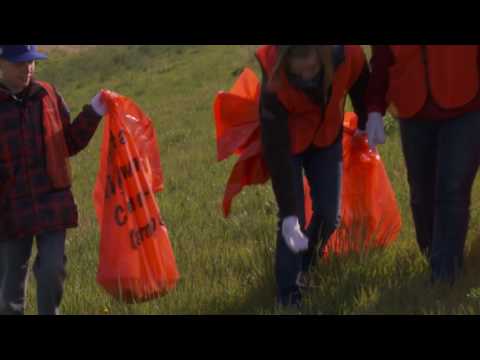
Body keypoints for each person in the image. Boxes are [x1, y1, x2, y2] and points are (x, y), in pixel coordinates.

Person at [256, 45, 370, 307]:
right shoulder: (274, 81)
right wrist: (288, 212)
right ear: (286, 61)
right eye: (300, 71)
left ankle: (307, 264)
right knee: (293, 219)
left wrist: (367, 119)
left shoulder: (347, 55)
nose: (307, 74)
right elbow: (275, 149)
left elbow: (361, 81)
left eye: (312, 67)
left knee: (330, 215)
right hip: (288, 148)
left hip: (327, 139)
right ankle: (288, 296)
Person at [0, 45, 107, 315]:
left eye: (32, 62)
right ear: (1, 63)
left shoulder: (48, 95)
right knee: (10, 288)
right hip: (9, 212)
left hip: (51, 204)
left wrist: (94, 111)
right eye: (19, 63)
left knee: (52, 270)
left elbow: (68, 143)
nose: (28, 69)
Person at [366, 45, 480, 285]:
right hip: (413, 109)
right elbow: (382, 56)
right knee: (421, 193)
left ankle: (444, 274)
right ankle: (433, 254)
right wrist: (375, 108)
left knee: (452, 189)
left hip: (466, 105)